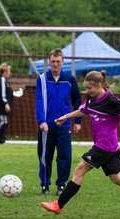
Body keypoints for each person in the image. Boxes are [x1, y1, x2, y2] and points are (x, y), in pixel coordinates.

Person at [41, 70, 120, 219]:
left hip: (104, 146)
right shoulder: (91, 99)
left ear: (99, 85)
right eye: (86, 88)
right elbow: (82, 110)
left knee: (79, 169)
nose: (86, 91)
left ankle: (58, 205)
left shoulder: (112, 102)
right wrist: (66, 117)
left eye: (89, 88)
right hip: (109, 147)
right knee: (116, 178)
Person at [35, 48, 82, 196]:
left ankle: (61, 186)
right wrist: (42, 121)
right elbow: (38, 101)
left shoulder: (69, 79)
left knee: (64, 156)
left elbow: (77, 99)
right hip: (46, 127)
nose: (55, 64)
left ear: (63, 62)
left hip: (64, 125)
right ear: (49, 62)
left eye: (58, 61)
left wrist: (78, 121)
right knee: (44, 156)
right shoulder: (41, 79)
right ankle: (45, 185)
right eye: (53, 61)